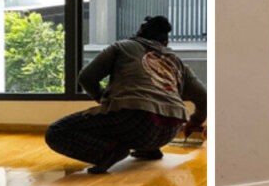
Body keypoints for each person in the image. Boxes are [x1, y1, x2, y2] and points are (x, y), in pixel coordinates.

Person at [45, 15, 207, 174]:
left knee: (57, 131)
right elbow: (204, 97)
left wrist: (103, 99)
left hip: (133, 120)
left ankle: (108, 152)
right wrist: (194, 121)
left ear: (138, 34)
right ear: (165, 42)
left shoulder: (123, 46)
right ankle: (149, 149)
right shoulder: (177, 63)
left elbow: (86, 78)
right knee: (142, 115)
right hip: (169, 130)